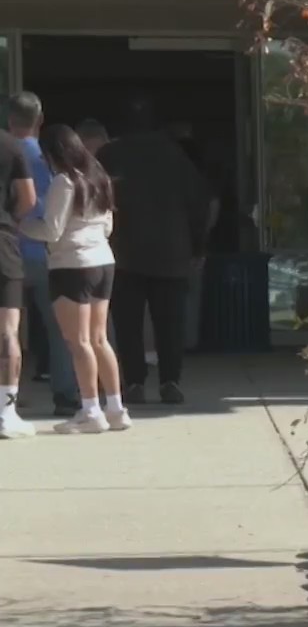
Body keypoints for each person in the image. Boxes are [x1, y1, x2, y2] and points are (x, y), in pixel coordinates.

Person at [97, 97, 208, 406]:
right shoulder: (176, 156)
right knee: (170, 322)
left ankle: (134, 381)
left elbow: (94, 200)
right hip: (171, 252)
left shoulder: (109, 154)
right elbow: (197, 204)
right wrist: (197, 246)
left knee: (127, 322)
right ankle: (170, 380)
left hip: (123, 252)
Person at [22, 125, 129, 434]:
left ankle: (90, 410)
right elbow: (108, 226)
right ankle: (116, 408)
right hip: (103, 261)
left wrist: (20, 225)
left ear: (53, 154)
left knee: (78, 341)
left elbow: (51, 230)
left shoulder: (63, 182)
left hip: (71, 265)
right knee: (99, 339)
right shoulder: (99, 179)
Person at [9, 93, 80, 418]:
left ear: (9, 119)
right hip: (45, 253)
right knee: (59, 329)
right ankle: (65, 394)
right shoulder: (49, 158)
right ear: (40, 120)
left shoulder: (5, 152)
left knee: (6, 329)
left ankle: (7, 394)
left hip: (7, 249)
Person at [0, 120, 39, 439]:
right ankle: (6, 410)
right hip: (3, 242)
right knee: (8, 330)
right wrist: (10, 219)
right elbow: (28, 199)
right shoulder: (11, 146)